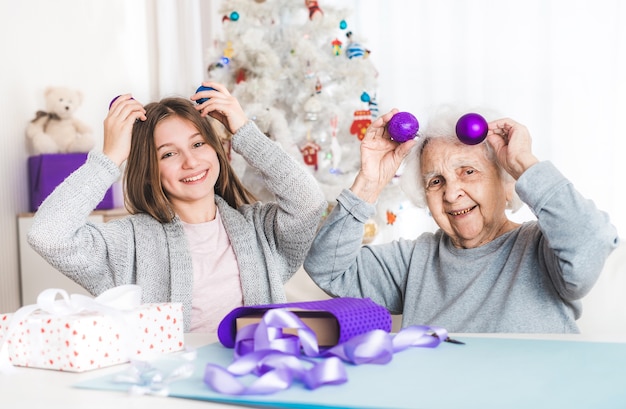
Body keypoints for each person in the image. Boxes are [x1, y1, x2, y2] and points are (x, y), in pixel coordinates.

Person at [27, 82, 327, 333]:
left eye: (198, 144)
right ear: (150, 170)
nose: (191, 162)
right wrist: (110, 157)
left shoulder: (260, 229)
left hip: (260, 384)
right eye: (169, 154)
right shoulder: (128, 244)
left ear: (217, 149)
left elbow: (309, 202)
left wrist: (244, 131)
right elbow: (48, 235)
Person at [303, 106, 619, 333]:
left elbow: (591, 240)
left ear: (505, 182)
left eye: (468, 172)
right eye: (436, 181)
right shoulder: (415, 259)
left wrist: (523, 162)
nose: (452, 193)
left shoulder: (542, 247)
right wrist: (369, 183)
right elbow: (328, 269)